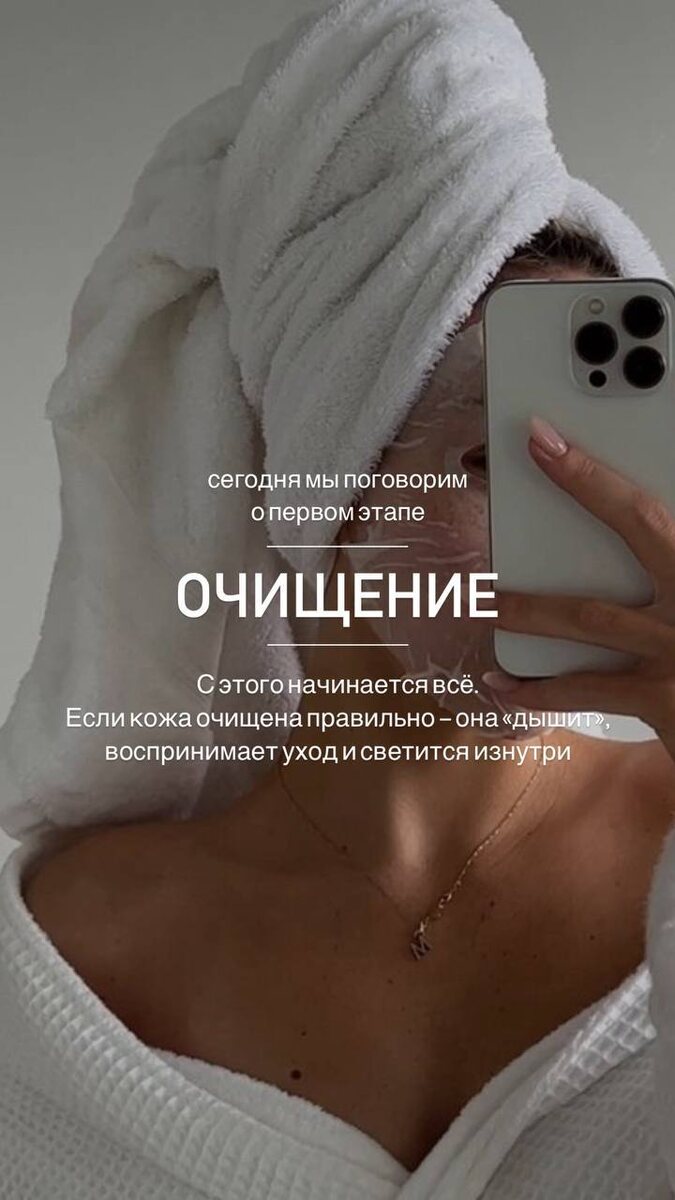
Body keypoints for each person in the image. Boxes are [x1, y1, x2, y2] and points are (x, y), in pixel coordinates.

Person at [3, 1, 675, 1196]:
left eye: (605, 463)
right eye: (488, 459)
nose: (571, 522)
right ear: (319, 472)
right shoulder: (73, 954)